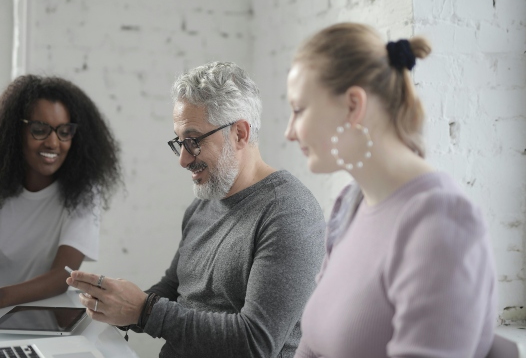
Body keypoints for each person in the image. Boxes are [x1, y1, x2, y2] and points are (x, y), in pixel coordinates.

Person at [67, 62, 325, 357]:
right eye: (180, 142)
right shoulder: (204, 201)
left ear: (240, 133)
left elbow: (256, 342)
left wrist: (142, 311)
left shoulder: (289, 213)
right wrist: (116, 304)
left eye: (193, 141)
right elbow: (176, 287)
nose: (183, 159)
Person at [284, 23, 497, 358]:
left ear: (353, 105)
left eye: (298, 110)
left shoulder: (443, 221)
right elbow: (312, 344)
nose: (289, 132)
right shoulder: (348, 205)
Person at [0, 75, 121, 310]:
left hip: (55, 318)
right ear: (14, 132)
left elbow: (61, 277)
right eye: (40, 130)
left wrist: (0, 296)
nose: (54, 142)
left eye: (64, 131)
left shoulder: (83, 194)